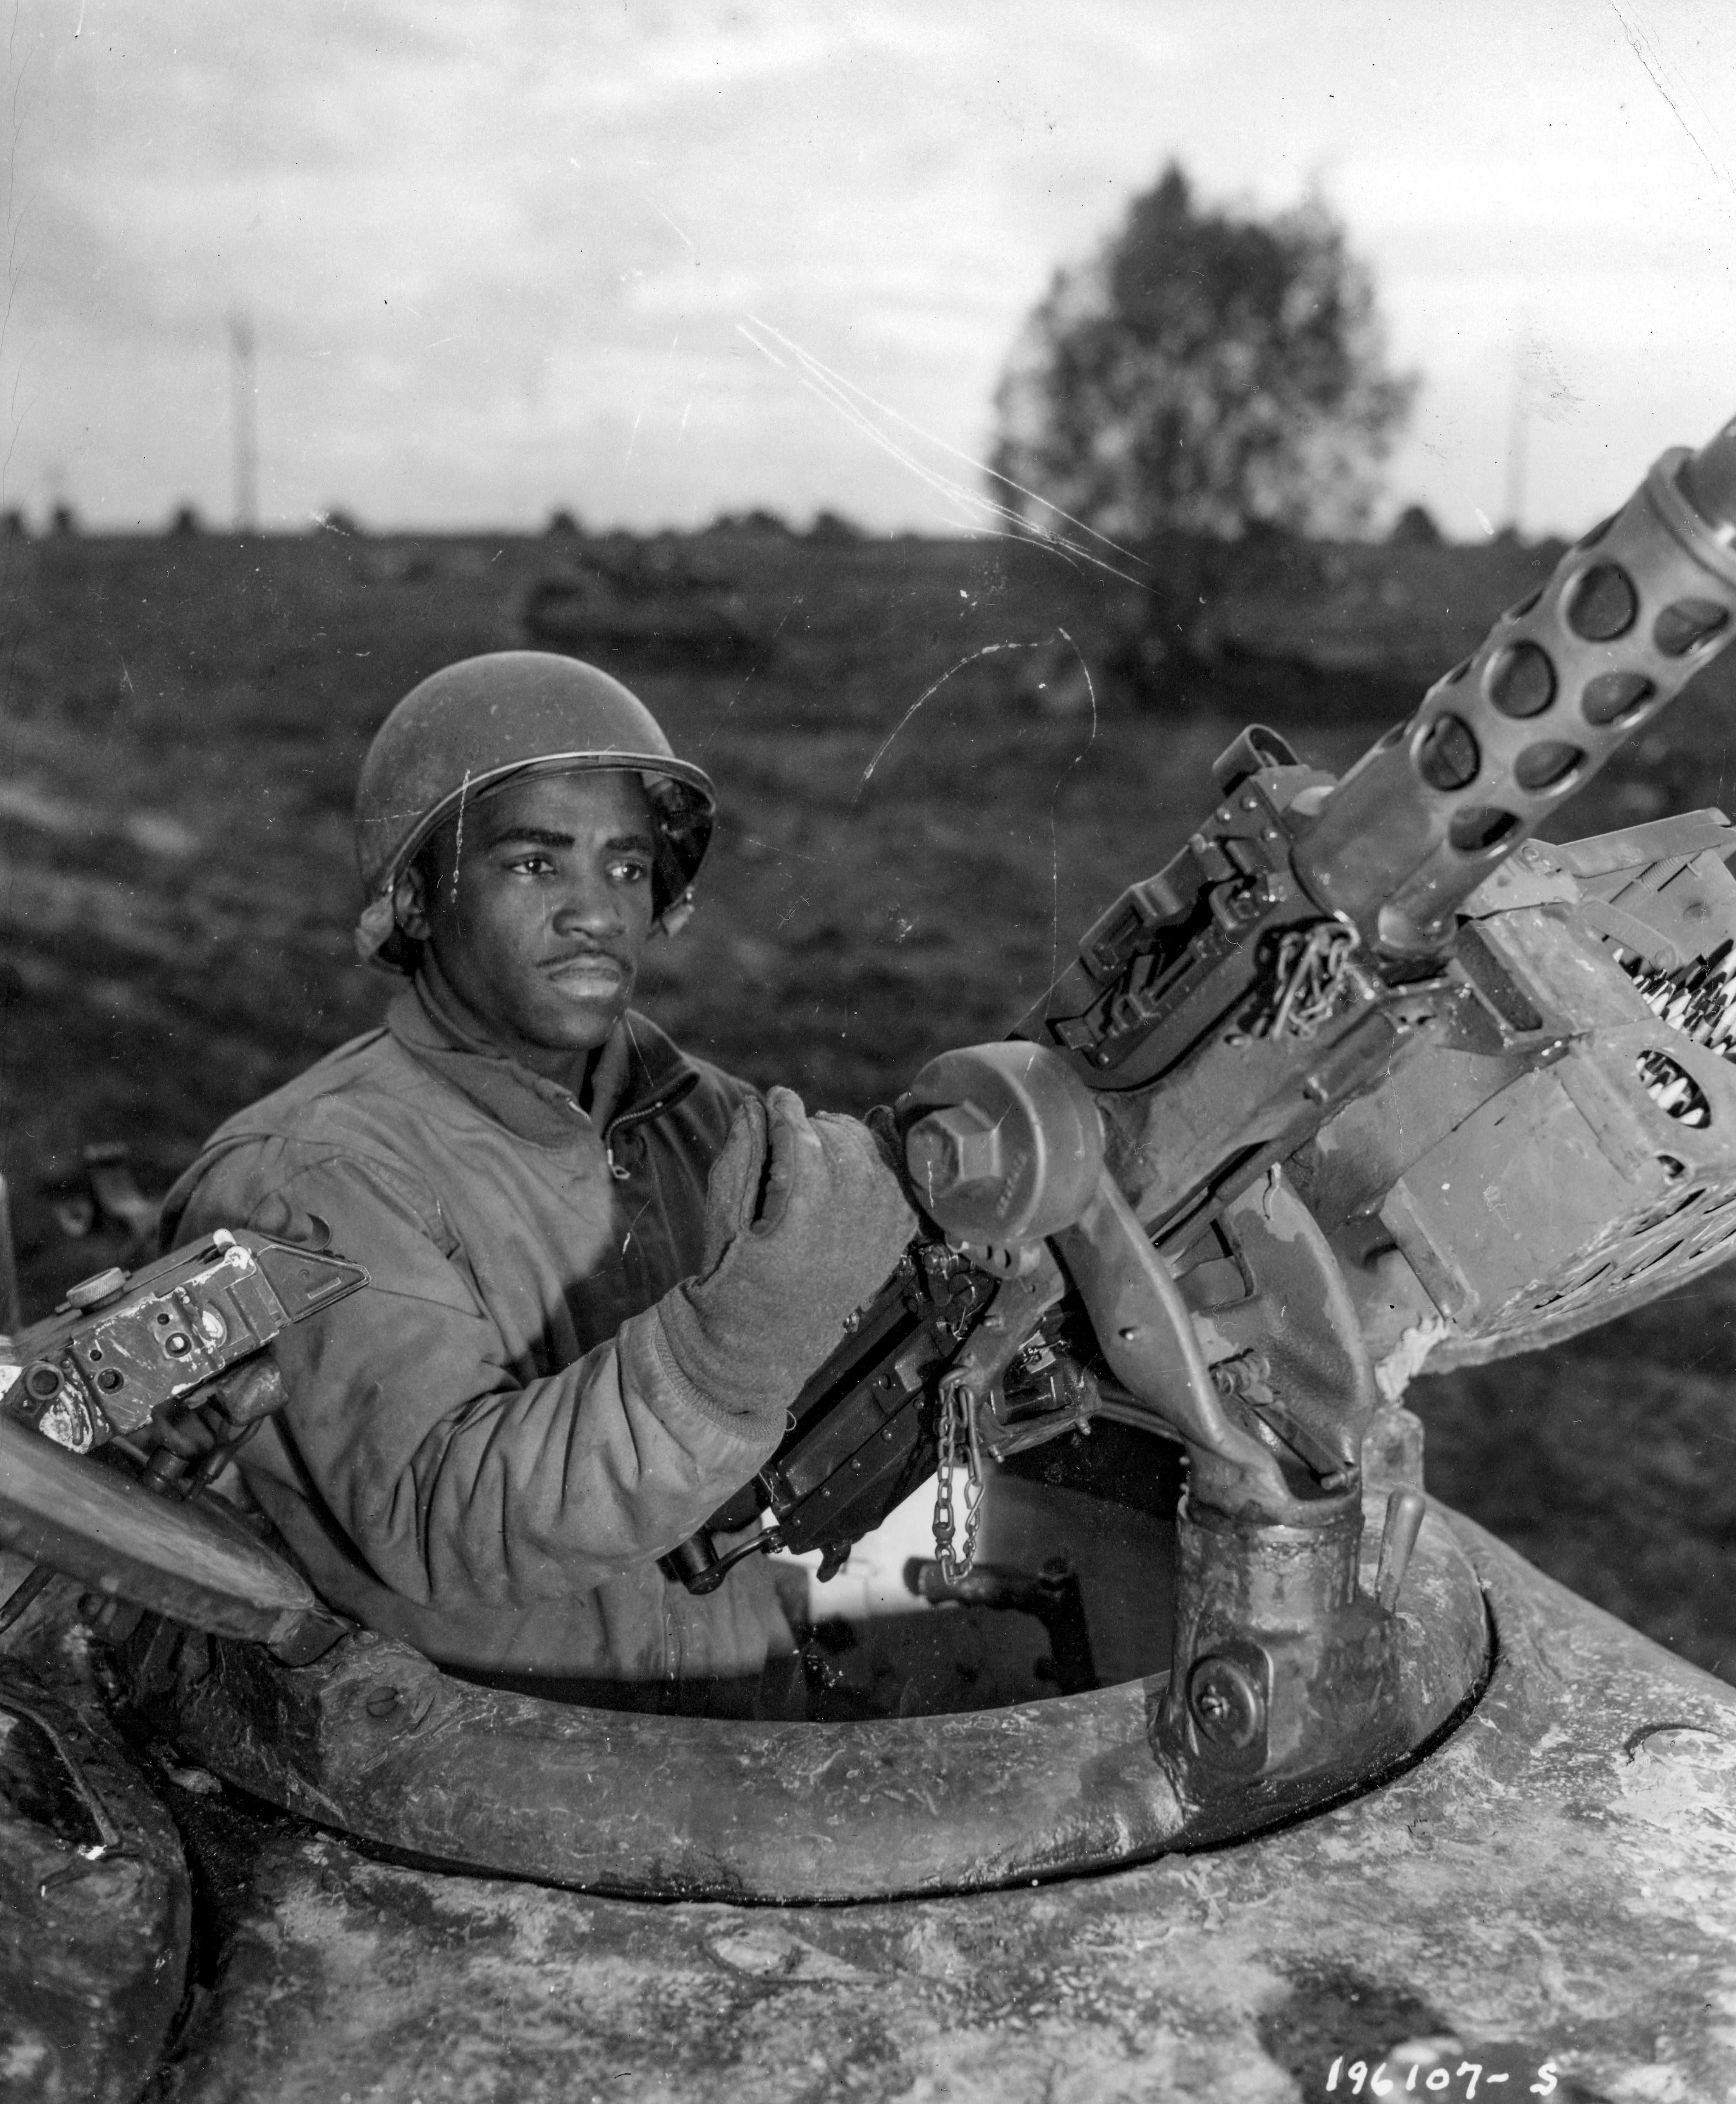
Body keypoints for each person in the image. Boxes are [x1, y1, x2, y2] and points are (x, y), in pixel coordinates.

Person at [160, 651, 916, 1711]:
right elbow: (442, 1515)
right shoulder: (307, 1178)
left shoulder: (709, 1119)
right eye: (533, 864)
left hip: (745, 1755)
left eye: (626, 866)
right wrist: (734, 1351)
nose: (595, 912)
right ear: (418, 901)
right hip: (494, 1804)